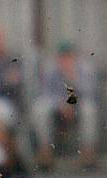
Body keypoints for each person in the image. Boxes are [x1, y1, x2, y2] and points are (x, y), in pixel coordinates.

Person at [32, 41, 98, 170]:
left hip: (79, 107)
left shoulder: (84, 70)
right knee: (40, 108)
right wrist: (61, 105)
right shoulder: (51, 71)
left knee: (89, 109)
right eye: (63, 57)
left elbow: (90, 92)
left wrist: (73, 78)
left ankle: (88, 151)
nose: (66, 60)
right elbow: (46, 93)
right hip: (57, 109)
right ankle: (45, 150)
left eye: (69, 57)